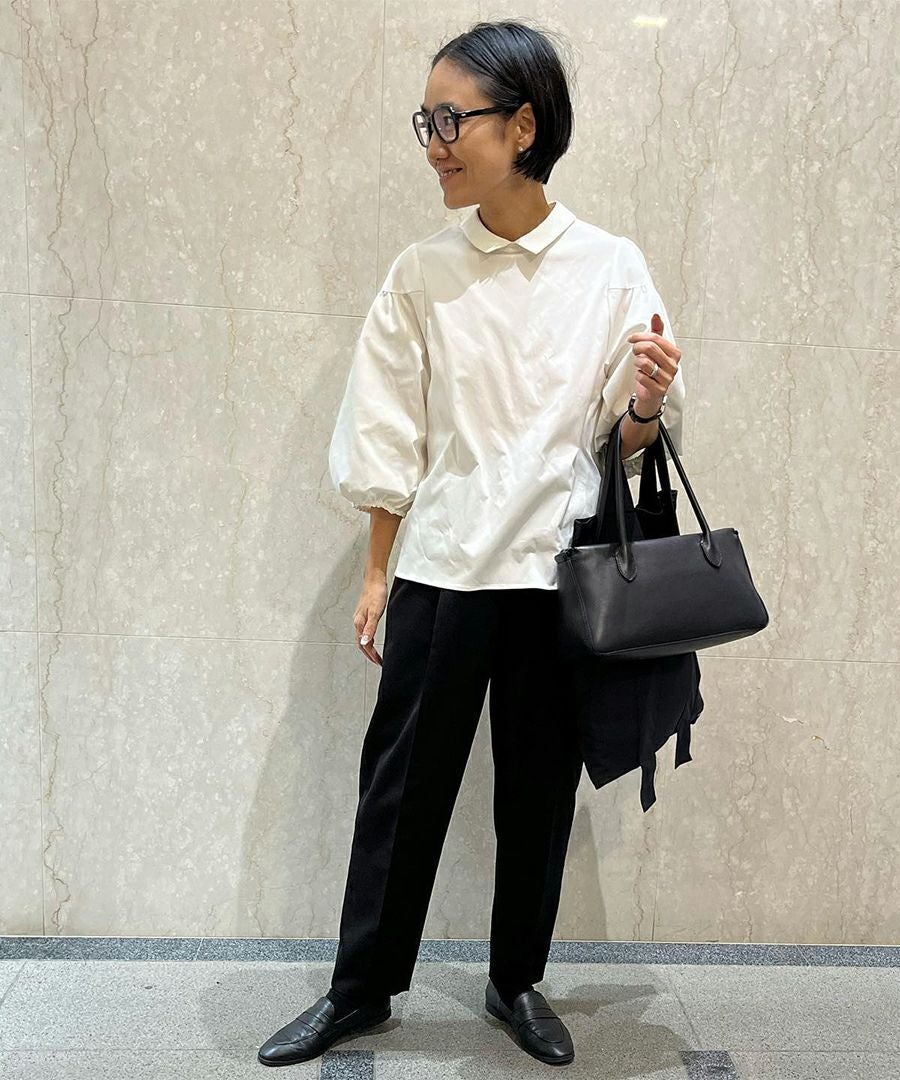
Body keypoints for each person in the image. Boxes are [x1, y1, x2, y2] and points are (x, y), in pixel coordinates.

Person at [258, 17, 685, 1070]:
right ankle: (360, 990)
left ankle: (516, 982)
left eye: (452, 120)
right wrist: (375, 571)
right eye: (428, 122)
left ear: (523, 126)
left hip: (557, 578)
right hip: (443, 569)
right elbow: (387, 428)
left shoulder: (611, 267)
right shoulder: (422, 273)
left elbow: (628, 440)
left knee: (538, 795)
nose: (435, 144)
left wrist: (645, 401)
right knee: (399, 791)